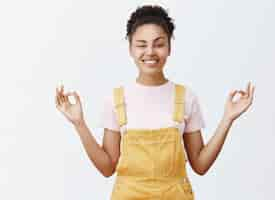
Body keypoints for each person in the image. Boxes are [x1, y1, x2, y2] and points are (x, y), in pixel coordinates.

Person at [55, 5, 255, 200]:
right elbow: (107, 168)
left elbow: (200, 165)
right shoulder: (116, 100)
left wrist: (228, 118)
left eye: (159, 44)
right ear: (131, 49)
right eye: (141, 44)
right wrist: (79, 123)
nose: (150, 52)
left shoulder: (185, 97)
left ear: (169, 48)